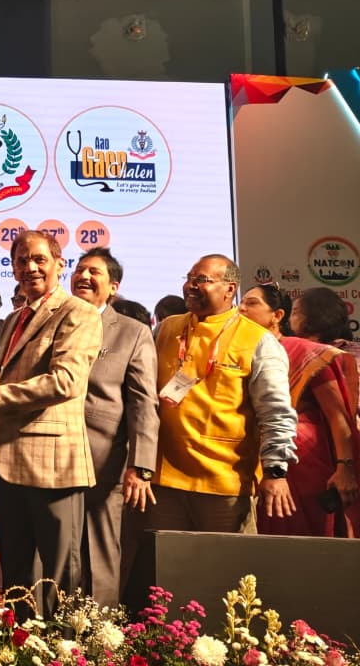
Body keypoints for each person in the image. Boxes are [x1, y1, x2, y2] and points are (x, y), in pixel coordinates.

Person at [0, 230, 102, 616]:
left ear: (59, 265)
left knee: (61, 573)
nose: (30, 267)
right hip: (9, 462)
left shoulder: (77, 312)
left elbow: (64, 382)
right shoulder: (16, 317)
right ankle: (22, 641)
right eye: (21, 261)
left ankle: (66, 645)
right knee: (17, 573)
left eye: (39, 259)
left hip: (54, 463)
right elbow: (6, 380)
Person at [149, 256, 297, 536]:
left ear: (230, 289)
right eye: (189, 278)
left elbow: (276, 413)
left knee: (226, 563)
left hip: (226, 485)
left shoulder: (257, 340)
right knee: (167, 562)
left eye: (202, 280)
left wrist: (275, 471)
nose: (191, 286)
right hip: (163, 481)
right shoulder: (167, 328)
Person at [69, 248, 159, 607]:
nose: (84, 276)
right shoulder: (55, 321)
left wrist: (141, 466)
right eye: (79, 269)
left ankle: (99, 633)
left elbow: (143, 403)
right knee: (55, 555)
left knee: (99, 555)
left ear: (113, 287)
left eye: (94, 272)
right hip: (49, 458)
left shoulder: (132, 332)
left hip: (103, 463)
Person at [241, 285, 359, 537]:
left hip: (304, 464)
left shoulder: (306, 353)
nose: (241, 309)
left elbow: (337, 416)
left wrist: (345, 468)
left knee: (306, 546)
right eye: (240, 303)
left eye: (251, 303)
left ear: (277, 316)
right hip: (257, 463)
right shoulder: (239, 348)